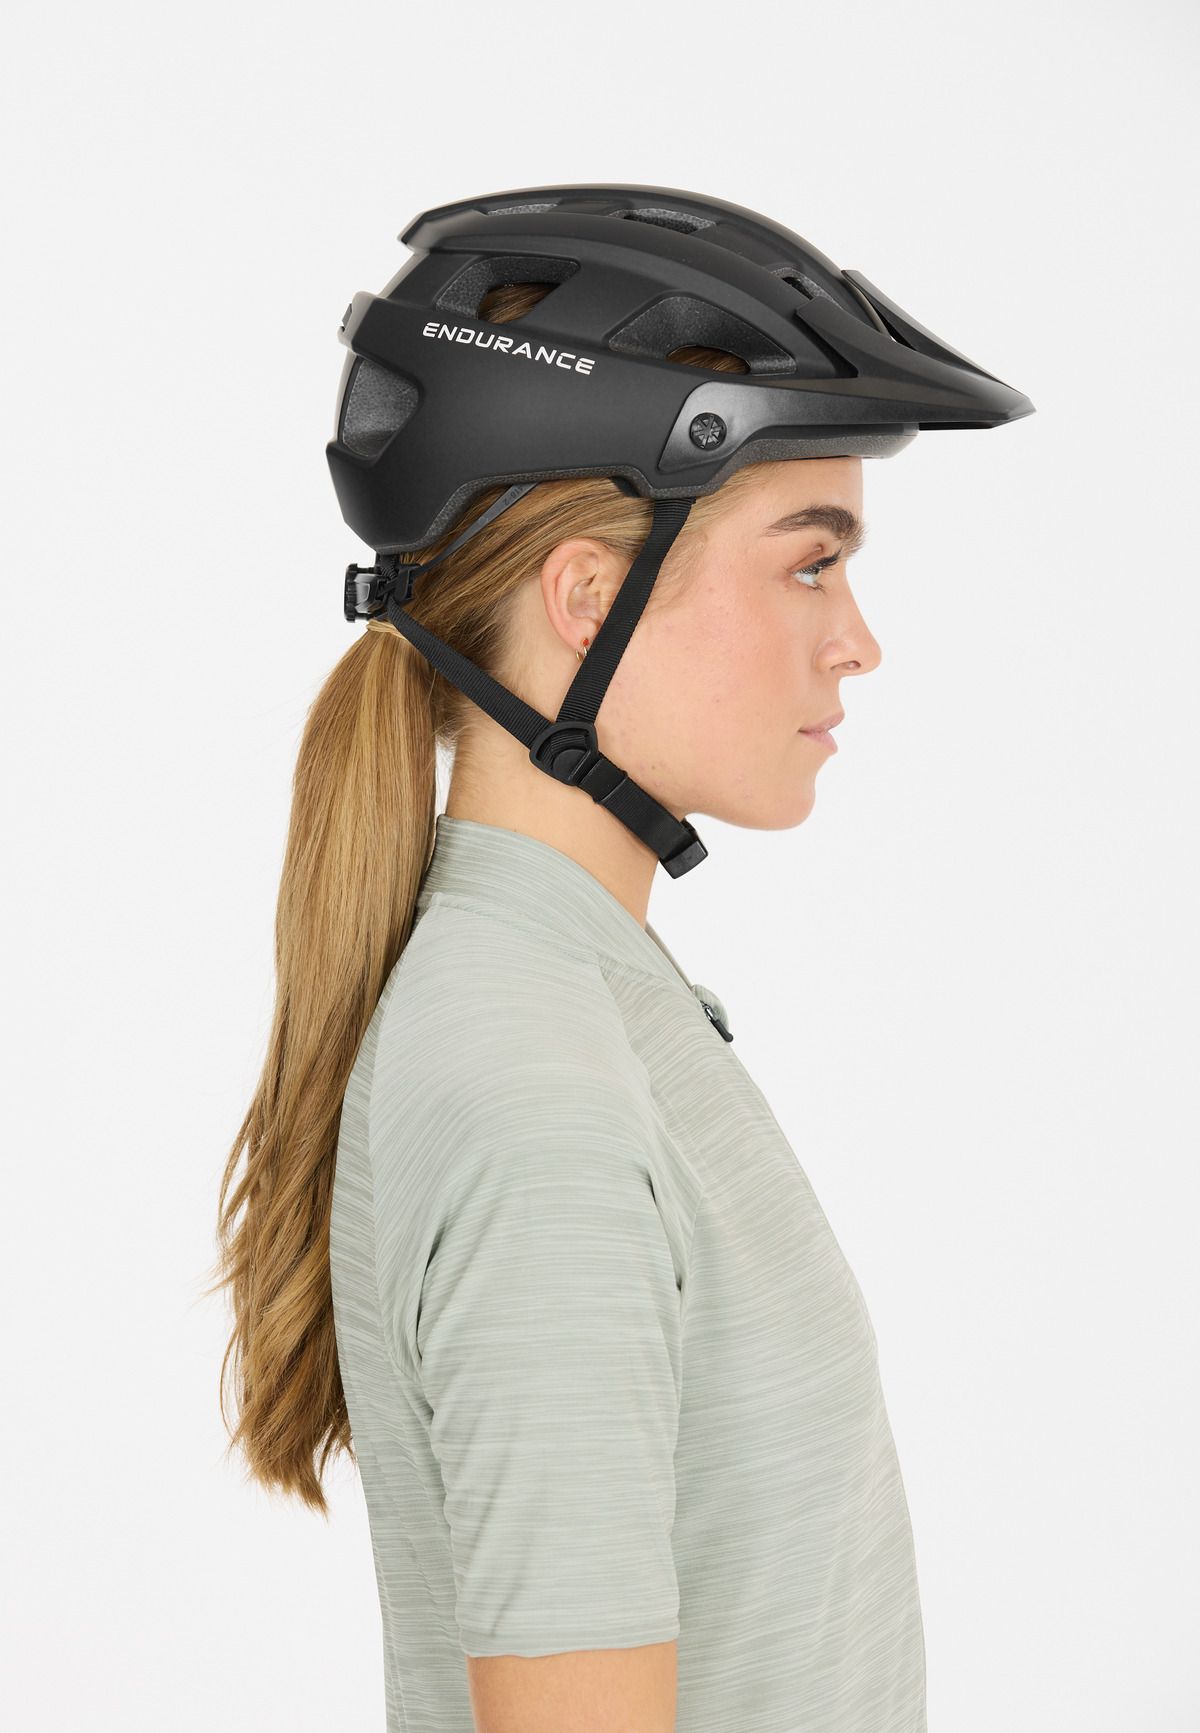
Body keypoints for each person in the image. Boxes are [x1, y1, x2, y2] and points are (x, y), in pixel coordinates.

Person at [211, 184, 1034, 1733]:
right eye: (810, 562)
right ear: (588, 601)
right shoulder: (540, 1089)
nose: (857, 639)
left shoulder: (576, 998)